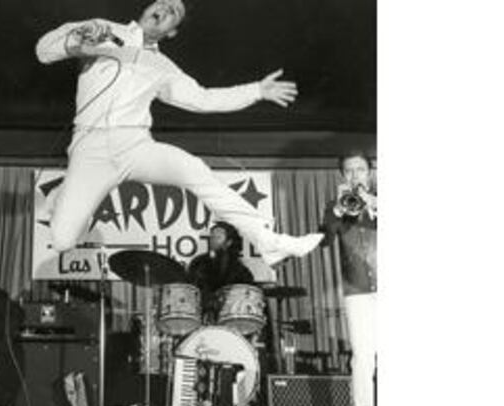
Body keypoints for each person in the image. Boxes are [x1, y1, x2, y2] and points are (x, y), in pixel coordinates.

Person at [35, 0, 323, 266]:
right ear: (148, 7)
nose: (166, 7)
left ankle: (268, 241)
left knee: (194, 169)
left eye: (174, 10)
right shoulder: (104, 29)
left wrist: (257, 91)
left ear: (171, 32)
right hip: (90, 147)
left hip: (135, 145)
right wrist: (76, 42)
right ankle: (64, 197)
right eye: (162, 2)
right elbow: (44, 51)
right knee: (62, 241)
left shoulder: (162, 66)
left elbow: (204, 99)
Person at [320, 152, 377, 406]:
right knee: (362, 361)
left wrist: (372, 202)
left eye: (360, 169)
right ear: (343, 176)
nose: (355, 175)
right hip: (357, 291)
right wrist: (341, 211)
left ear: (370, 172)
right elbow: (326, 237)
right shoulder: (336, 207)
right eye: (349, 171)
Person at [188, 221, 255, 322]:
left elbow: (247, 294)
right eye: (212, 236)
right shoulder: (198, 263)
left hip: (232, 317)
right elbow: (191, 288)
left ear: (229, 242)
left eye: (218, 237)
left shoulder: (240, 270)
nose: (213, 240)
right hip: (201, 316)